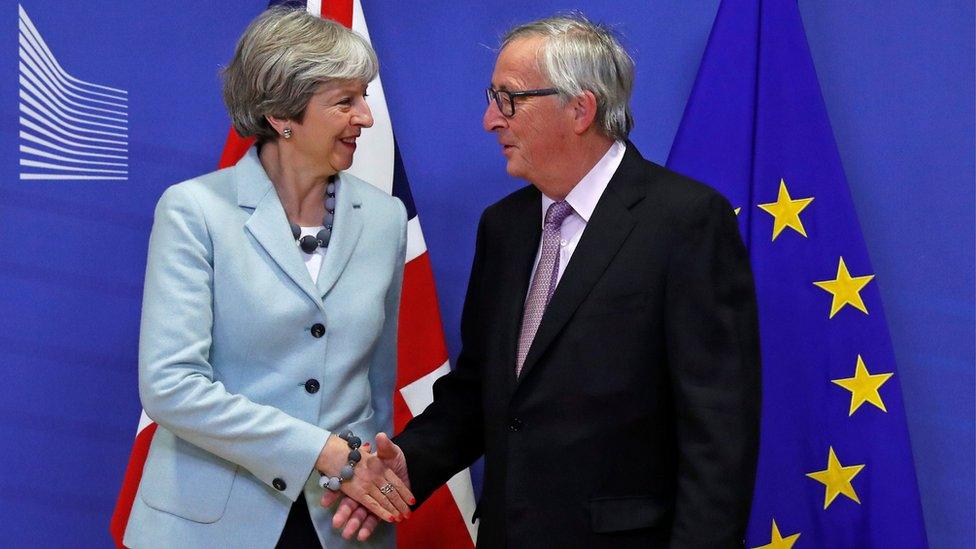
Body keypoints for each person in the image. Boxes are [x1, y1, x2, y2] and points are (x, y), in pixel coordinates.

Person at [332, 13, 761, 548]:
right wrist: (406, 466)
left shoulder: (685, 222)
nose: (491, 119)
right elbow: (480, 393)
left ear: (580, 108)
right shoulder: (505, 227)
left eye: (508, 99)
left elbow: (718, 433)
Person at [123, 7, 413, 548]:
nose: (366, 118)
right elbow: (170, 386)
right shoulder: (195, 210)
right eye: (345, 102)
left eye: (365, 98)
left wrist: (368, 473)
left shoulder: (385, 219)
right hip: (208, 525)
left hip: (341, 520)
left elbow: (378, 386)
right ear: (283, 115)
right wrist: (322, 452)